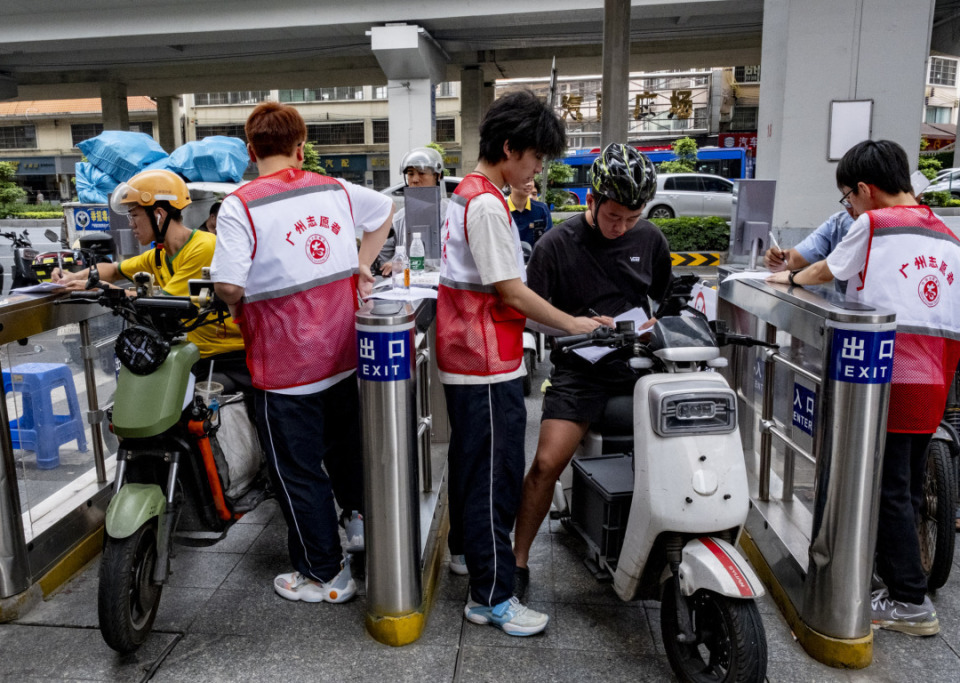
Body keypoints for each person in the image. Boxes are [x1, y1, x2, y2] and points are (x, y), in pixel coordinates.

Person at [767, 139, 960, 636]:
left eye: (847, 197)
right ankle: (902, 577)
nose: (848, 208)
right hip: (935, 379)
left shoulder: (872, 225)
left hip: (884, 378)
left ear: (864, 190)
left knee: (886, 488)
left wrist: (788, 282)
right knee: (907, 485)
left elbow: (821, 270)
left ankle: (909, 601)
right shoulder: (946, 236)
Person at [211, 102, 393, 605]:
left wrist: (238, 292)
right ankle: (359, 526)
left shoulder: (240, 205)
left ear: (252, 151)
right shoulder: (332, 189)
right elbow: (384, 210)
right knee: (345, 449)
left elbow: (227, 283)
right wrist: (360, 264)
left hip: (284, 365)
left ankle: (323, 574)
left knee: (298, 470)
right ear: (301, 144)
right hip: (340, 352)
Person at [436, 89, 601, 637]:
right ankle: (491, 598)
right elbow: (509, 291)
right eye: (535, 158)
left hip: (473, 355)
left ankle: (467, 554)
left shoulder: (472, 193)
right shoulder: (485, 204)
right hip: (485, 361)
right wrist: (572, 323)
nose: (537, 169)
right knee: (493, 479)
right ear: (510, 149)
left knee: (471, 468)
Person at [512, 144, 672, 601]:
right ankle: (518, 560)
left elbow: (663, 299)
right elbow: (528, 315)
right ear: (591, 200)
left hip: (640, 364)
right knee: (545, 463)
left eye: (632, 218)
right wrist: (576, 325)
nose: (622, 227)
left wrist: (655, 323)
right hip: (580, 369)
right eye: (614, 216)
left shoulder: (651, 240)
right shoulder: (555, 245)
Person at [52, 169, 248, 390]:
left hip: (230, 358)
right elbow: (114, 269)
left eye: (134, 215)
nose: (130, 224)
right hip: (192, 356)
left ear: (159, 215)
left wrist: (101, 289)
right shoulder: (159, 255)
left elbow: (164, 303)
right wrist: (73, 276)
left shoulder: (203, 246)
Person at [378, 147, 449, 276]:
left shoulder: (449, 213)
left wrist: (405, 264)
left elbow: (445, 255)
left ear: (438, 176)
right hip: (405, 286)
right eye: (410, 174)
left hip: (438, 285)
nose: (415, 179)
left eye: (421, 173)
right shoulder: (400, 217)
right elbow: (383, 252)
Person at [764, 209, 854, 293]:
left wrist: (792, 277)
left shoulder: (863, 227)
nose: (850, 208)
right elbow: (796, 258)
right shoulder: (839, 222)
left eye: (851, 197)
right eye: (846, 200)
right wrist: (777, 260)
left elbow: (822, 273)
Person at [508, 179, 553, 247]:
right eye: (524, 179)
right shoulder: (499, 209)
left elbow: (549, 242)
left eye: (531, 179)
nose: (529, 184)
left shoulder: (542, 209)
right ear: (511, 183)